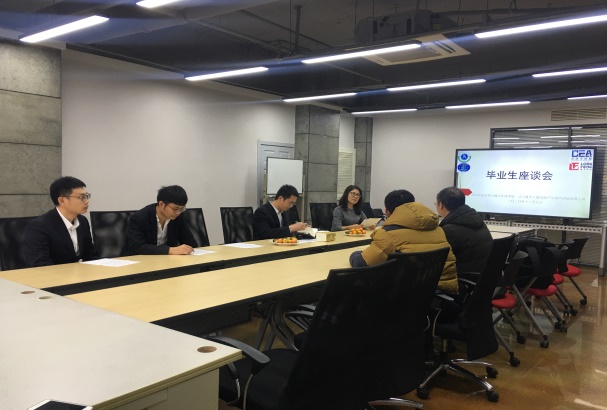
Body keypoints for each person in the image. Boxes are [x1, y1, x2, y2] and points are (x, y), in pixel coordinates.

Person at [349, 189, 458, 293]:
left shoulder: (388, 234)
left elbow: (361, 264)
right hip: (443, 295)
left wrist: (356, 254)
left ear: (387, 212)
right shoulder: (438, 229)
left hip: (407, 297)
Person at [24, 176, 99, 267]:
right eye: (82, 197)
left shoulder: (82, 221)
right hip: (53, 275)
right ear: (62, 200)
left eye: (87, 196)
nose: (87, 201)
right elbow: (40, 265)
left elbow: (90, 255)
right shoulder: (39, 226)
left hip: (76, 274)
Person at [121, 185, 197, 256]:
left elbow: (189, 242)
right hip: (137, 260)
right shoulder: (139, 218)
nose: (178, 212)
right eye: (175, 209)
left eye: (182, 209)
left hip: (165, 260)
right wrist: (169, 250)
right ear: (161, 204)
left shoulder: (177, 217)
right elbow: (138, 247)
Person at [435, 187, 493, 275]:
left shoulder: (449, 230)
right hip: (485, 274)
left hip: (466, 276)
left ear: (441, 205)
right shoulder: (476, 219)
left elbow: (439, 260)